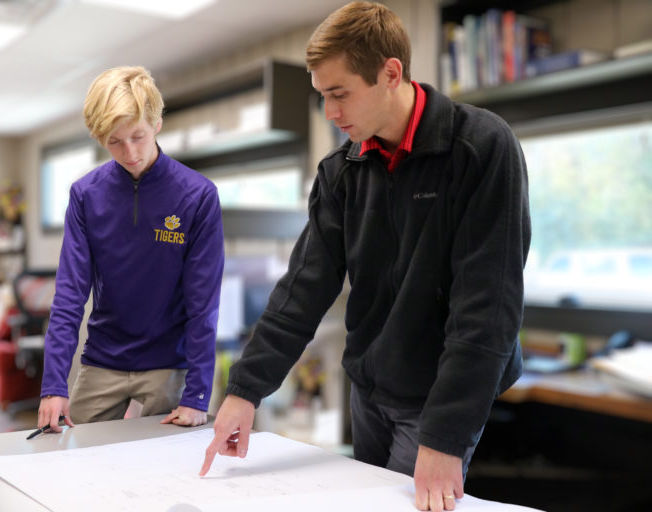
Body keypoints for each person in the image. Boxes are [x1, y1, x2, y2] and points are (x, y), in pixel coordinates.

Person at [200, 3, 530, 512]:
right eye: (322, 97)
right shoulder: (341, 171)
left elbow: (489, 306)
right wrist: (245, 391)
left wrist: (445, 436)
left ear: (390, 73)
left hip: (436, 397)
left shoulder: (481, 149)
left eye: (339, 94)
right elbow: (303, 288)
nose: (330, 113)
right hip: (370, 391)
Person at [37, 66, 224, 434]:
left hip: (169, 365)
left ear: (156, 124)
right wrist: (53, 385)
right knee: (77, 468)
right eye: (115, 142)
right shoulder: (85, 195)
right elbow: (70, 295)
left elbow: (203, 303)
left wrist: (198, 395)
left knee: (162, 475)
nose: (130, 152)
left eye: (137, 136)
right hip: (101, 361)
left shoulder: (198, 196)